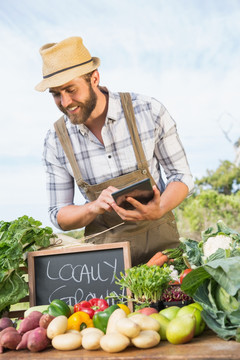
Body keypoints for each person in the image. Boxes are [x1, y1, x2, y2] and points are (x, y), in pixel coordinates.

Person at [35, 36, 194, 266]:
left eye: (71, 89)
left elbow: (181, 176)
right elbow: (58, 213)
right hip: (105, 267)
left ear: (95, 78)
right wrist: (93, 207)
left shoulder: (149, 111)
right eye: (56, 94)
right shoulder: (55, 141)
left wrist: (159, 208)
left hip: (163, 253)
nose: (65, 101)